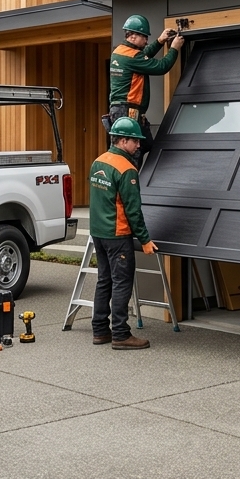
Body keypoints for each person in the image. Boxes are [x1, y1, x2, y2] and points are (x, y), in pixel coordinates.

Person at [89, 117, 160, 350]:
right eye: (135, 141)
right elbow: (133, 210)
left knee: (104, 281)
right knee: (121, 283)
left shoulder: (98, 162)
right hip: (117, 235)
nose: (139, 146)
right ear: (123, 140)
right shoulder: (126, 169)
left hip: (99, 234)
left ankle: (100, 331)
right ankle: (120, 334)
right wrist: (146, 240)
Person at [108, 14, 184, 164]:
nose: (146, 41)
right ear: (133, 36)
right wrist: (174, 48)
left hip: (122, 110)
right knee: (132, 152)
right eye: (145, 37)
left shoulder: (120, 52)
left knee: (146, 144)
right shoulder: (132, 57)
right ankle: (130, 182)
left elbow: (142, 56)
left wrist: (160, 41)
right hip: (128, 111)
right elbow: (161, 66)